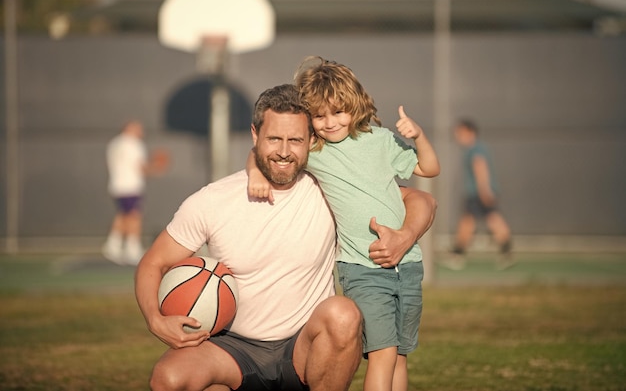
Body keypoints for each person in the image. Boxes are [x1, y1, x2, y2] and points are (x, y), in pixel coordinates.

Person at [135, 84, 437, 391]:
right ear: (255, 135)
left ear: (311, 141)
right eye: (274, 139)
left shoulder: (330, 189)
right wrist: (154, 319)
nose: (283, 150)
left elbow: (421, 200)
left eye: (295, 140)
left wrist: (405, 235)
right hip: (231, 347)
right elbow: (153, 263)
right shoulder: (212, 200)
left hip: (303, 348)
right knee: (169, 379)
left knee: (343, 315)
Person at [247, 58, 440, 391]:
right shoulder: (314, 150)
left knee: (400, 356)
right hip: (362, 269)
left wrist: (419, 135)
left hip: (408, 266)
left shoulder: (381, 140)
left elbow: (429, 168)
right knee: (383, 353)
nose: (329, 123)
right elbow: (262, 150)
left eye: (338, 112)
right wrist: (254, 173)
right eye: (319, 116)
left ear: (356, 106)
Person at [445, 118, 513, 270]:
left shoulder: (475, 149)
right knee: (492, 219)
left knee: (470, 222)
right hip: (480, 192)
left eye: (460, 132)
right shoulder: (475, 148)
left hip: (478, 193)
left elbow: (480, 167)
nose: (457, 136)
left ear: (469, 132)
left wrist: (484, 190)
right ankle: (506, 252)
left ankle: (457, 255)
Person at [103, 120, 169, 265]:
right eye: (138, 128)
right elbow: (141, 167)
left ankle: (112, 245)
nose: (141, 131)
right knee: (134, 216)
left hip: (116, 185)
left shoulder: (115, 143)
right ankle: (132, 249)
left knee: (123, 214)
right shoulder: (133, 144)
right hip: (130, 185)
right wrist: (156, 168)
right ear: (130, 128)